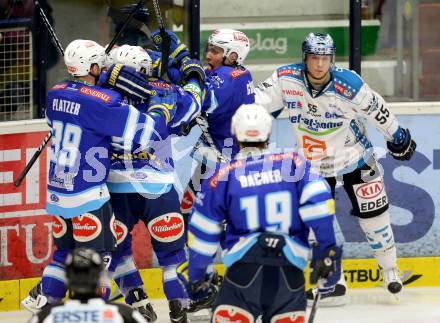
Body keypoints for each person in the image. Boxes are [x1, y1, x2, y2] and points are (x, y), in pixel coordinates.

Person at [254, 32, 416, 305]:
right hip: (312, 165)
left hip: (356, 156)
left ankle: (390, 270)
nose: (319, 65)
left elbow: (378, 110)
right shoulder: (285, 78)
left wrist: (397, 136)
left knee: (375, 217)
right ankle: (332, 280)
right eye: (314, 58)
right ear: (305, 58)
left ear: (332, 59)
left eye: (325, 58)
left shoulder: (349, 83)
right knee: (319, 224)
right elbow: (255, 103)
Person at [21, 39, 177, 313]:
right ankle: (92, 315)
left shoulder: (55, 92)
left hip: (59, 195)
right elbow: (147, 132)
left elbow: (55, 120)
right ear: (92, 66)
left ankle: (42, 308)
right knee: (100, 259)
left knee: (62, 256)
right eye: (101, 64)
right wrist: (159, 105)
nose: (105, 67)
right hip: (90, 196)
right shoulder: (103, 102)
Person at [182, 103, 342, 323]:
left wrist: (199, 278)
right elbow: (320, 208)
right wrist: (327, 254)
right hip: (290, 275)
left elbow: (203, 231)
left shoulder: (222, 176)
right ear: (268, 131)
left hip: (243, 276)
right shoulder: (295, 164)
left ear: (235, 132)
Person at [103, 44, 205, 323]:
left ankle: (138, 300)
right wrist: (190, 70)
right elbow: (196, 100)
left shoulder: (104, 97)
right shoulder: (168, 93)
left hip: (114, 189)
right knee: (172, 257)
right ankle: (178, 306)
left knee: (117, 251)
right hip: (158, 188)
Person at [178, 28, 256, 220]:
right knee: (189, 206)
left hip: (226, 161)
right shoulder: (236, 73)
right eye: (209, 49)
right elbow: (198, 79)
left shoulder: (229, 78)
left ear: (232, 55)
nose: (208, 55)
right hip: (217, 155)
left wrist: (189, 72)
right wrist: (179, 56)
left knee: (205, 212)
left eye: (215, 51)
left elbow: (203, 98)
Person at [28, 248, 148, 323]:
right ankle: (141, 304)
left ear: (67, 277)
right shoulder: (124, 314)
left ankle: (47, 297)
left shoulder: (45, 316)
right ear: (100, 276)